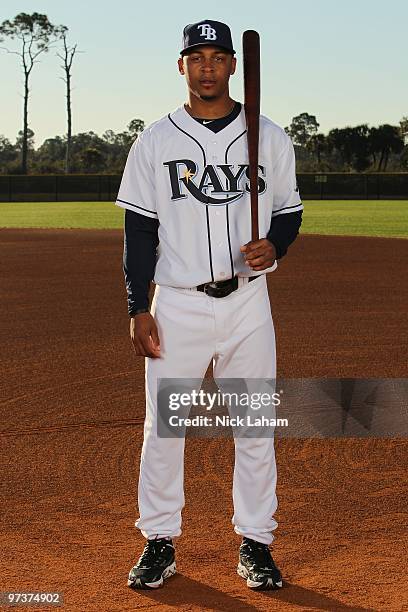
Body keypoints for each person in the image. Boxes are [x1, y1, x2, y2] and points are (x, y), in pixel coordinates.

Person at [116, 19, 303, 591]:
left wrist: (277, 243)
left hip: (248, 302)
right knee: (166, 427)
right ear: (181, 67)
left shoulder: (268, 136)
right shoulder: (155, 140)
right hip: (177, 302)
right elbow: (139, 230)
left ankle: (256, 541)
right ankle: (159, 539)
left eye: (217, 57)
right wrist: (137, 304)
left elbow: (289, 213)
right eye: (195, 57)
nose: (206, 67)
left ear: (231, 65)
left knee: (253, 426)